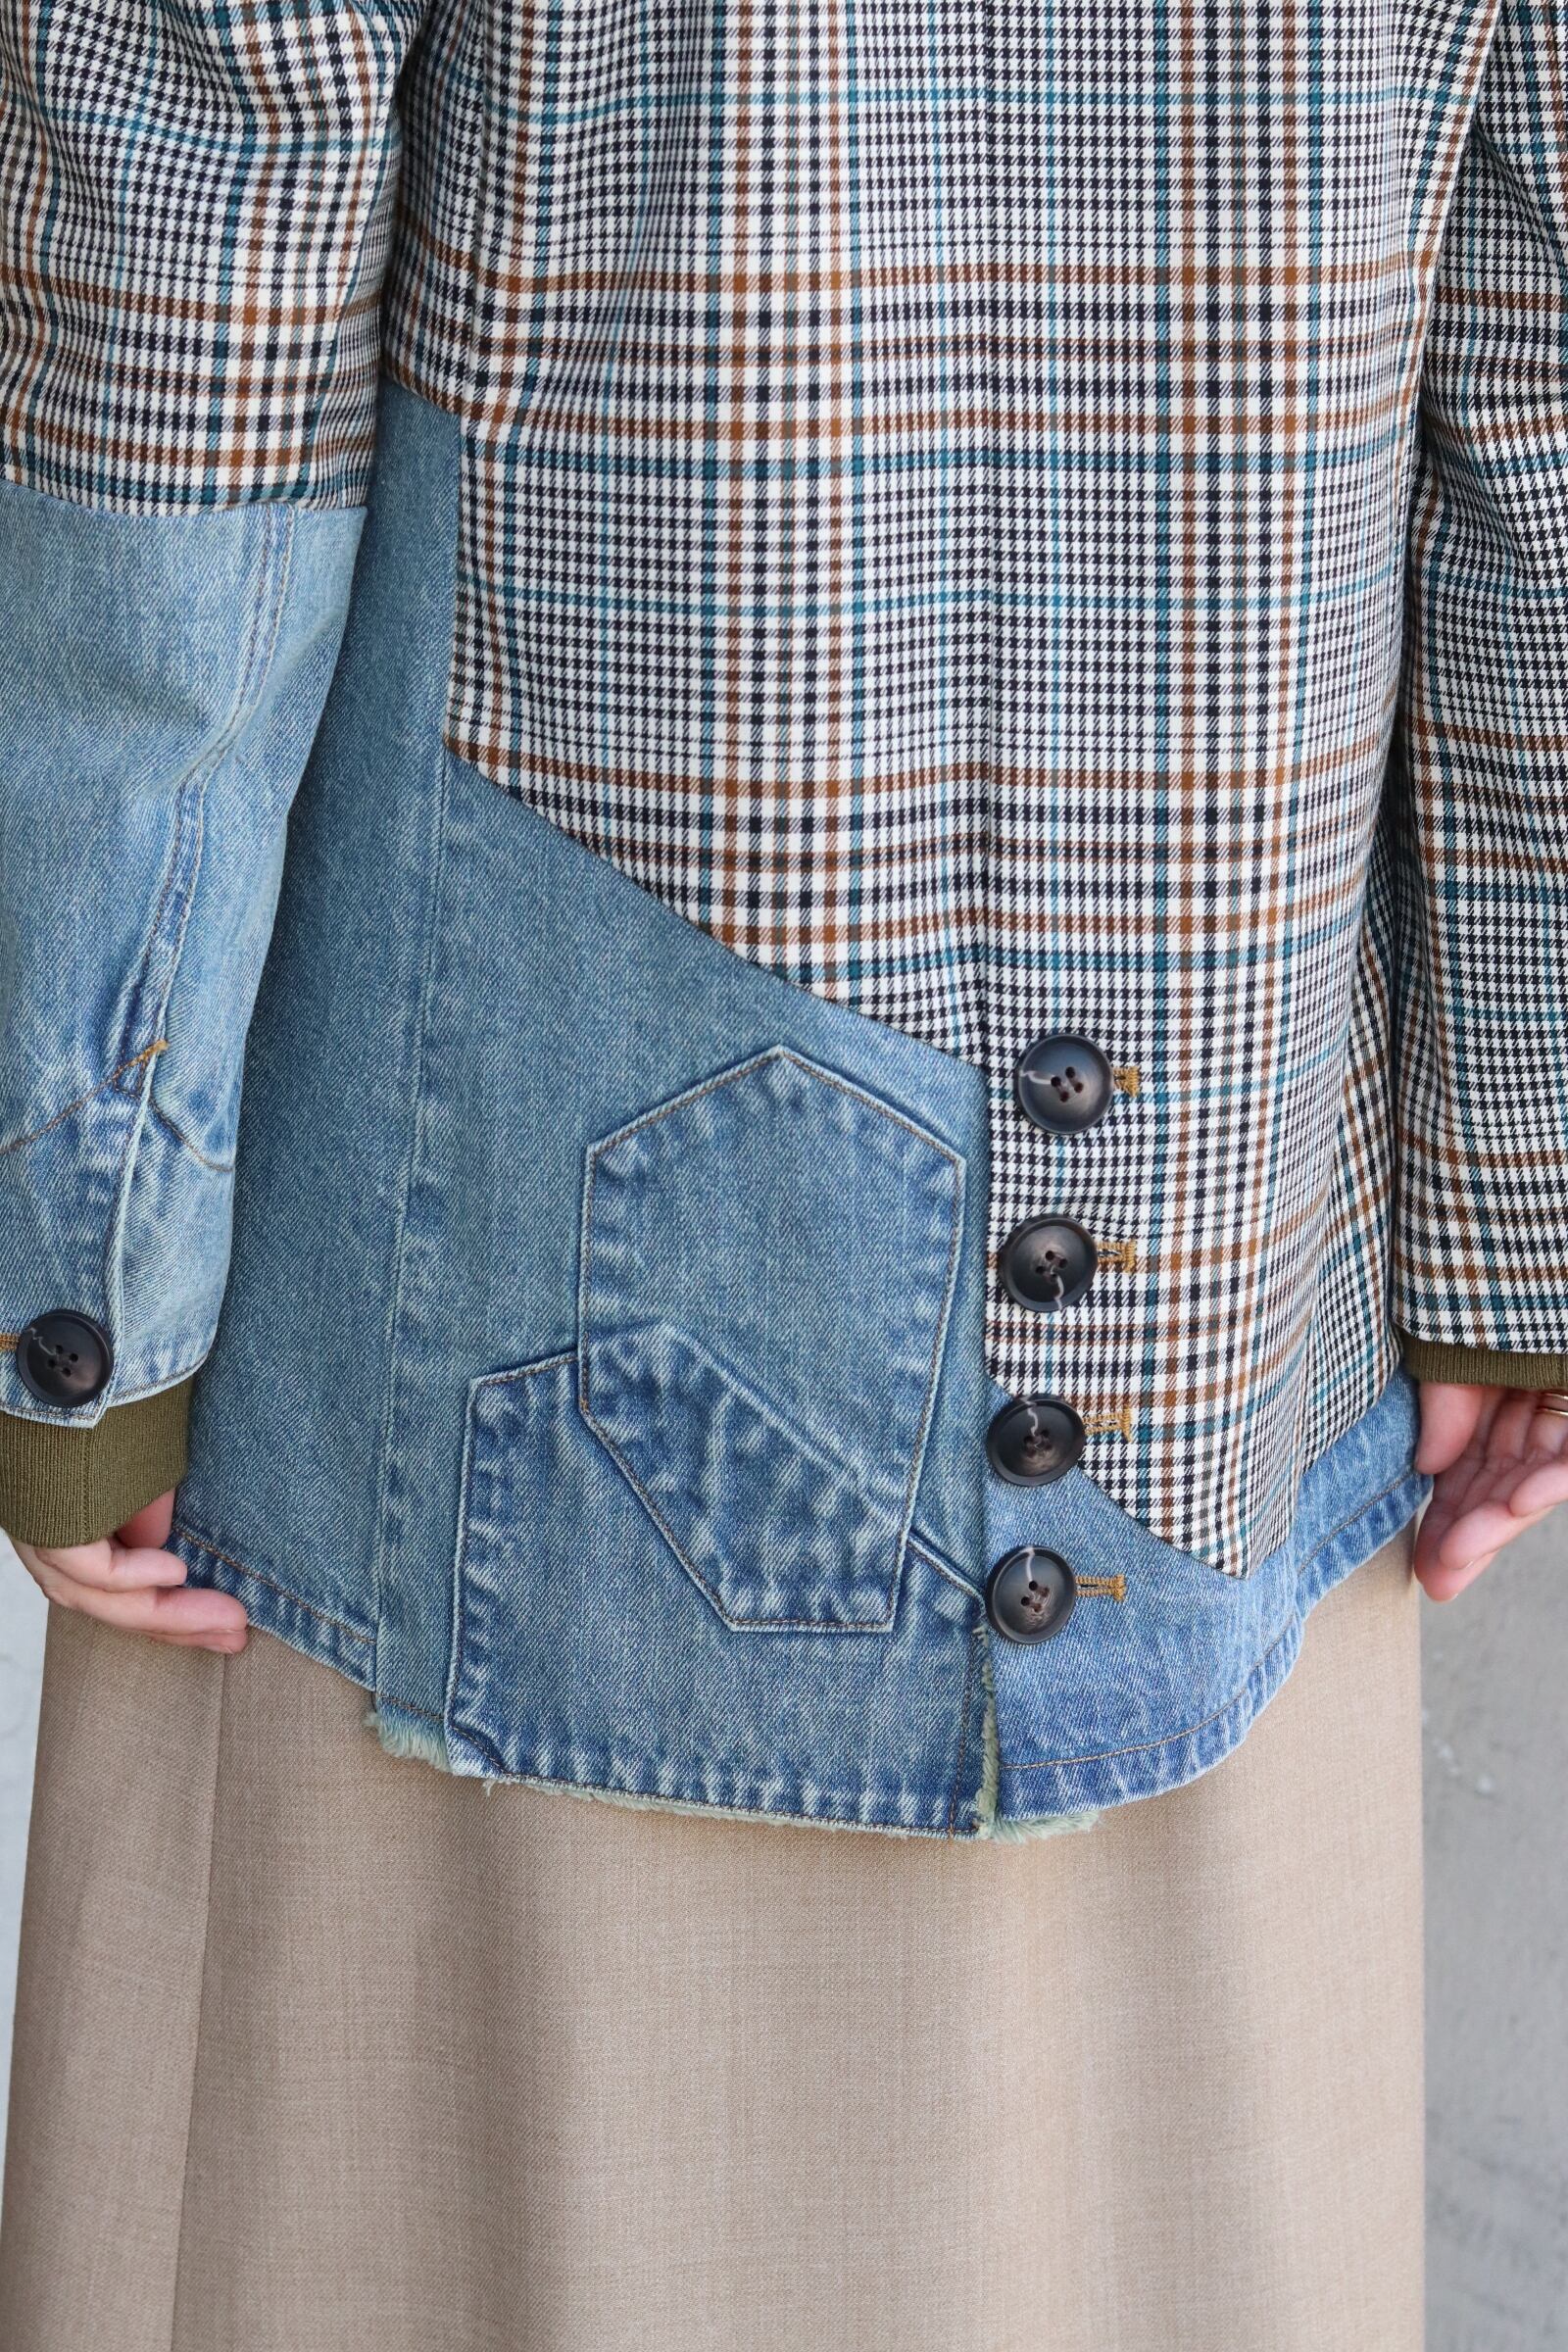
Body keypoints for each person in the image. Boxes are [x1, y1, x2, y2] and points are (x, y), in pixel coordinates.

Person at [2, 2, 1566, 2344]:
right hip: (1219, 1309)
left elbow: (192, 247)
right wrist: (1519, 1220)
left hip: (447, 1363)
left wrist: (85, 1264)